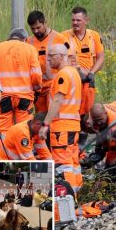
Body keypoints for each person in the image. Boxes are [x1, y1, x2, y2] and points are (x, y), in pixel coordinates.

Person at [38, 44, 82, 194]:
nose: (48, 59)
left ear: (62, 56)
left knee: (63, 165)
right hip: (73, 125)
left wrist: (45, 124)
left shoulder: (63, 75)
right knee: (73, 164)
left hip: (61, 128)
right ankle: (76, 196)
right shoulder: (73, 73)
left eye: (51, 56)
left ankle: (67, 201)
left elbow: (57, 101)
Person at [0, 27, 42, 143]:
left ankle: (5, 153)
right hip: (24, 98)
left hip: (3, 97)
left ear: (10, 37)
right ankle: (24, 151)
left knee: (3, 130)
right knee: (25, 128)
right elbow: (36, 75)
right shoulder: (30, 49)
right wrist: (37, 87)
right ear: (25, 39)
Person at [62, 6, 104, 125]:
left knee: (87, 114)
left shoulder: (94, 36)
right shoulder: (64, 36)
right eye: (73, 20)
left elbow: (101, 57)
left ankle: (83, 136)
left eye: (78, 20)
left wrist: (92, 73)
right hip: (72, 81)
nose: (75, 23)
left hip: (88, 81)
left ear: (86, 20)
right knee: (72, 110)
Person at [27, 10, 71, 113]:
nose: (36, 31)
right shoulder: (29, 42)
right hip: (38, 89)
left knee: (54, 116)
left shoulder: (59, 38)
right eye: (33, 29)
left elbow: (70, 61)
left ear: (45, 23)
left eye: (38, 27)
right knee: (40, 118)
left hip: (54, 86)